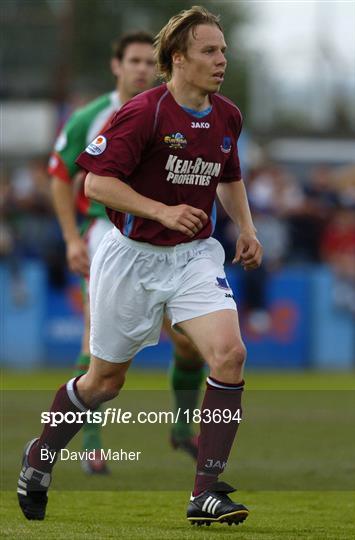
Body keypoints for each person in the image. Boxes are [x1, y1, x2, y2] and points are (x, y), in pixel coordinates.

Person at [18, 6, 262, 527]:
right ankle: (40, 455)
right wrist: (161, 210)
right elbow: (96, 185)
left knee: (229, 354)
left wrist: (247, 226)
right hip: (131, 259)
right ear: (178, 58)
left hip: (194, 255)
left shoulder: (227, 115)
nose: (222, 60)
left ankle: (205, 493)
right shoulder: (144, 112)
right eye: (210, 51)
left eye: (223, 50)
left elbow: (229, 175)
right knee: (103, 383)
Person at [48, 31, 205, 473]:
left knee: (191, 343)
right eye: (132, 61)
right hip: (107, 232)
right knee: (96, 339)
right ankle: (92, 444)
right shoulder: (90, 117)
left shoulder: (172, 111)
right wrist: (71, 238)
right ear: (117, 66)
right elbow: (61, 177)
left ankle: (181, 428)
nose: (140, 69)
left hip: (169, 239)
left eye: (145, 62)